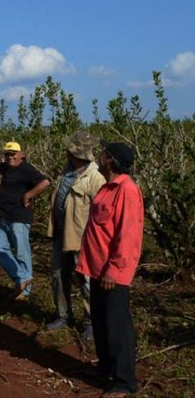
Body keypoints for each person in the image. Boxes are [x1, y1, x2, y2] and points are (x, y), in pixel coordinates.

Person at [76, 142, 143, 396]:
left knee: (117, 326)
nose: (99, 156)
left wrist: (114, 270)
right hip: (97, 268)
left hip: (112, 273)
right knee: (101, 322)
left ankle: (125, 381)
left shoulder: (126, 189)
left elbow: (128, 235)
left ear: (110, 160)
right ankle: (106, 368)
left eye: (104, 153)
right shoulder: (106, 188)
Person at [45, 131, 106, 339]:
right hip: (61, 234)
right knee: (57, 276)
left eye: (69, 149)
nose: (66, 152)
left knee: (86, 281)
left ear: (76, 153)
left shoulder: (96, 178)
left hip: (82, 239)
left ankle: (91, 322)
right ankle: (63, 315)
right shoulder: (67, 170)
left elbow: (101, 215)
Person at [0, 142, 50, 300]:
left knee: (21, 252)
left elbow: (45, 182)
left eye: (13, 154)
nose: (10, 157)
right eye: (7, 154)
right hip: (6, 217)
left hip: (19, 217)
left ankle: (25, 290)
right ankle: (22, 278)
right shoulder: (6, 166)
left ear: (21, 155)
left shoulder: (26, 168)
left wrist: (28, 195)